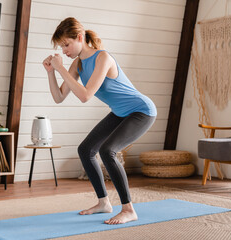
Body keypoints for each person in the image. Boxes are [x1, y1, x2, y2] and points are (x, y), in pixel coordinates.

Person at [42, 17, 157, 225]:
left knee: (107, 150)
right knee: (85, 150)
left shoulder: (102, 58)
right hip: (121, 112)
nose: (64, 50)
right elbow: (59, 97)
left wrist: (60, 69)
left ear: (80, 37)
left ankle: (129, 209)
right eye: (61, 46)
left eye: (66, 44)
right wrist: (52, 73)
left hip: (141, 110)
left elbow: (86, 95)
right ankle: (104, 203)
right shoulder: (77, 64)